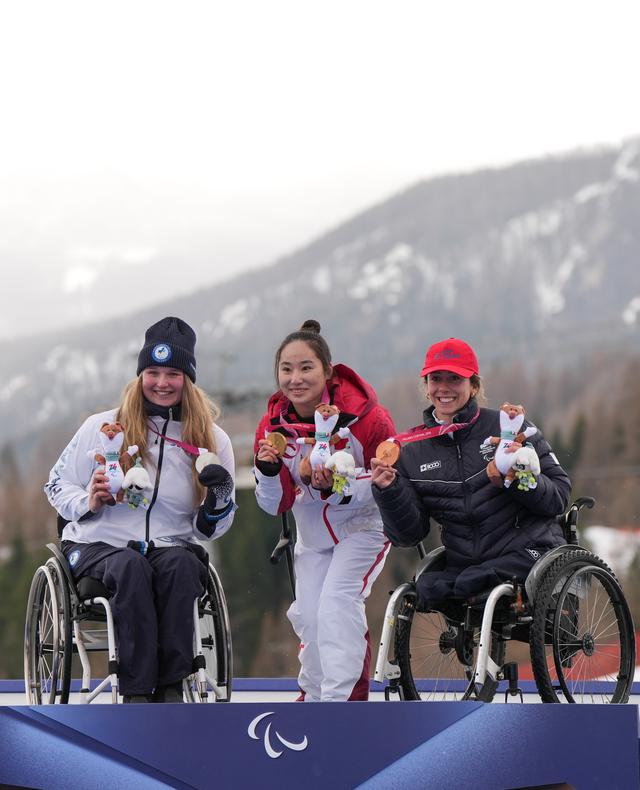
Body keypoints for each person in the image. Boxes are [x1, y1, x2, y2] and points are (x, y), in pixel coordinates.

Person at [45, 316, 236, 703]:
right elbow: (55, 484)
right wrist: (89, 500)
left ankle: (170, 687)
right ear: (140, 374)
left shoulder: (212, 440)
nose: (162, 383)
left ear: (188, 378)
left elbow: (212, 529)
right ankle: (136, 692)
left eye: (173, 373)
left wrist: (217, 500)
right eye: (152, 372)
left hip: (171, 546)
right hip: (99, 544)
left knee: (183, 567)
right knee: (129, 567)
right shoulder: (102, 427)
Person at [253, 320, 396, 701]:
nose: (295, 378)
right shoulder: (272, 427)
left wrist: (334, 486)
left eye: (306, 368)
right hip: (312, 536)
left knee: (336, 607)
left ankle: (344, 706)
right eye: (286, 369)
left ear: (327, 371)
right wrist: (269, 471)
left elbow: (389, 481)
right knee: (311, 618)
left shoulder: (368, 418)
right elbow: (275, 504)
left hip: (363, 528)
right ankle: (314, 702)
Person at [371, 337, 571, 606]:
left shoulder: (510, 428)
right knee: (423, 588)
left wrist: (516, 479)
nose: (443, 388)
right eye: (435, 379)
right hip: (464, 564)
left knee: (472, 582)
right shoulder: (411, 451)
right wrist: (389, 491)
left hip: (527, 552)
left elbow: (559, 496)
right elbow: (409, 535)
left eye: (454, 379)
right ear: (426, 387)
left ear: (474, 385)